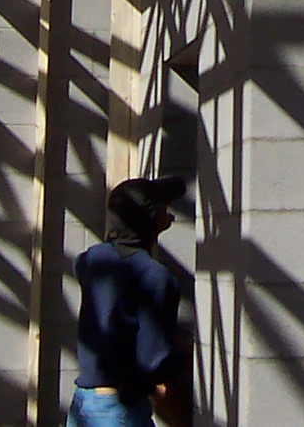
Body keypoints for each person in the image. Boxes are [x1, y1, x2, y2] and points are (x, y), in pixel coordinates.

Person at [71, 175, 192, 427]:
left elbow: (81, 264)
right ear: (151, 217)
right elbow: (155, 363)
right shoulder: (154, 276)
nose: (167, 209)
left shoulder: (92, 259)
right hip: (118, 410)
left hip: (85, 405)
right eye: (162, 205)